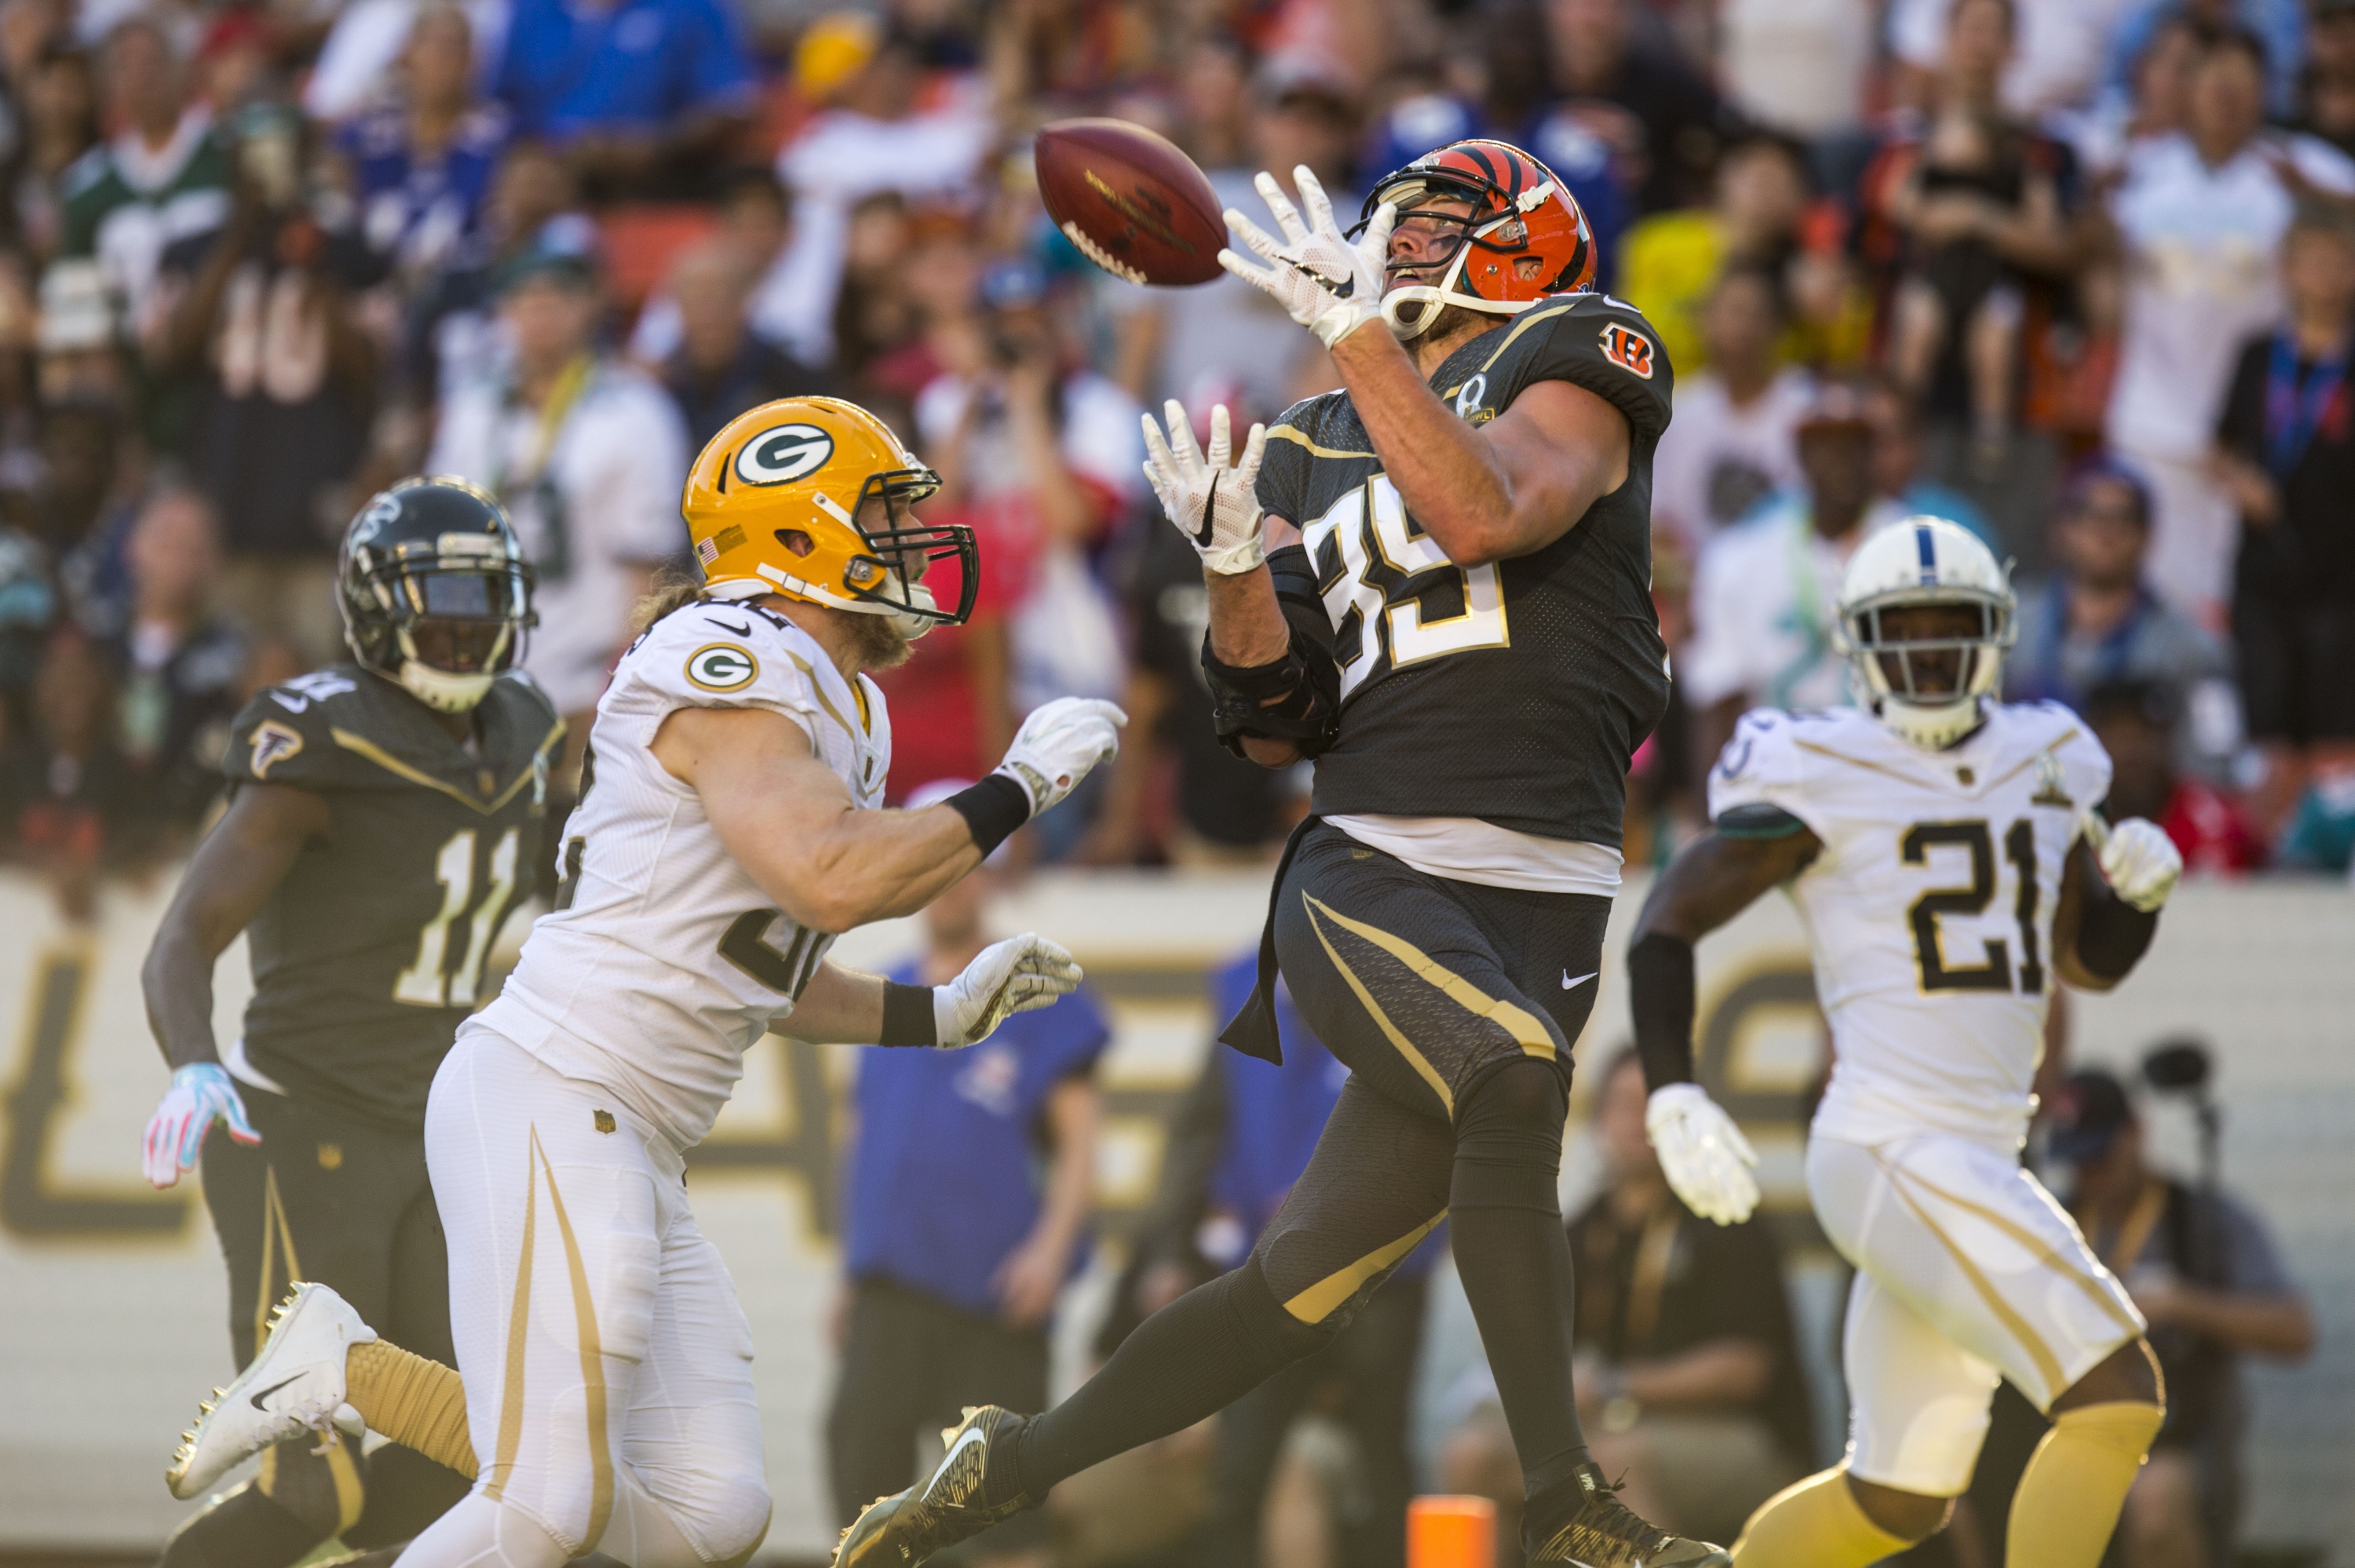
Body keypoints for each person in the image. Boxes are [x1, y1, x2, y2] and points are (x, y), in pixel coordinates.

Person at [842, 137, 1717, 1567]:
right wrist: (1235, 560)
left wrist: (1361, 336)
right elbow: (1269, 725)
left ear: (1525, 236)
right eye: (1399, 221)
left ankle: (1012, 1461)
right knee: (1510, 1075)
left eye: (1439, 218)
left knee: (1291, 1288)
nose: (1404, 240)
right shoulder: (1308, 435)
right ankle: (1567, 1505)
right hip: (1372, 864)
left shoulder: (1579, 344)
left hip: (1549, 893)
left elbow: (1490, 508)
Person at [159, 397, 1127, 1568]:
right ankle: (337, 1364)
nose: (908, 540)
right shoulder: (728, 654)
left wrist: (940, 1010)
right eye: (880, 514)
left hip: (631, 1132)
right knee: (545, 1499)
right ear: (800, 531)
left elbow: (754, 967)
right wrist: (1016, 785)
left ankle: (345, 1367)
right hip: (557, 1086)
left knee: (711, 1511)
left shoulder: (848, 703)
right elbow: (826, 877)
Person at [1624, 515, 2187, 1568]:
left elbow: (2087, 963)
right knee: (2117, 1398)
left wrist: (2138, 901)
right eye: (1904, 631)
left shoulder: (2049, 752)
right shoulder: (1817, 763)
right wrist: (1672, 1090)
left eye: (1950, 630)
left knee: (1893, 1500)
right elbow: (1668, 920)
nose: (1928, 654)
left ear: (1996, 635)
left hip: (1970, 1149)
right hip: (1896, 1142)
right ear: (1856, 643)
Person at [140, 479, 557, 1568]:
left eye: (485, 602)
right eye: (443, 605)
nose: (469, 629)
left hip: (434, 1127)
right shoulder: (319, 740)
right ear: (378, 614)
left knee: (459, 1450)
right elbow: (184, 934)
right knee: (310, 1478)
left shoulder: (524, 726)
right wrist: (192, 1060)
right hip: (302, 1124)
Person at [828, 781, 1108, 1566]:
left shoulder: (1033, 986)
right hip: (892, 1282)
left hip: (994, 1292)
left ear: (995, 876)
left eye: (970, 867)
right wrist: (849, 1274)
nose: (954, 885)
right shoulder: (875, 993)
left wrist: (1052, 1253)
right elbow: (863, 1140)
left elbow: (1083, 1142)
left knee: (1000, 1508)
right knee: (862, 1479)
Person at [1440, 1050, 1809, 1548]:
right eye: (1623, 1106)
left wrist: (1615, 1387)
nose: (1638, 1124)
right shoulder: (1584, 1227)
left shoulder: (1727, 1218)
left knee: (1611, 1465)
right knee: (1471, 1457)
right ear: (1598, 1120)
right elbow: (1533, 1349)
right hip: (1610, 1431)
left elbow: (1744, 1370)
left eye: (1653, 1109)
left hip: (1744, 1441)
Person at [2105, 27, 2355, 628]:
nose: (2225, 96)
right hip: (2153, 422)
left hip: (2260, 432)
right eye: (2213, 78)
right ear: (2187, 86)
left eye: (2243, 82)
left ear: (2265, 91)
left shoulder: (2302, 169)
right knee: (2157, 604)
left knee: (2248, 606)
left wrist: (2318, 199)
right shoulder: (2141, 169)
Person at [425, 233, 691, 757]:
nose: (539, 315)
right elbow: (446, 542)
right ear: (503, 312)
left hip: (586, 674)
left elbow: (651, 561)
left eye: (556, 300)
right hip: (489, 669)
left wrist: (625, 676)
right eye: (526, 300)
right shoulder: (473, 406)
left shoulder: (637, 409)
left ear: (589, 306)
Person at [2049, 1068, 2316, 1566]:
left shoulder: (2202, 1220)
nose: (2090, 1178)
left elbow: (2296, 1331)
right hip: (2075, 1431)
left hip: (2178, 1437)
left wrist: (2182, 1304)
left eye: (2101, 1159)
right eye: (2077, 1163)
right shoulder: (2055, 1224)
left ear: (2136, 1133)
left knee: (2155, 1497)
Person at [1678, 379, 1911, 762]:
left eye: (1856, 446)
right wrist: (1717, 813)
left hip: (1884, 768)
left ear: (1874, 454)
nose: (1842, 461)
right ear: (1801, 454)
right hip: (1776, 772)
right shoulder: (1740, 557)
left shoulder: (1913, 550)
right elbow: (1718, 699)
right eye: (1827, 446)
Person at [2212, 202, 2355, 826]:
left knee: (2333, 712)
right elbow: (2219, 442)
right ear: (2287, 271)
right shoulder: (2256, 353)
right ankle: (2264, 841)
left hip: (2342, 567)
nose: (2323, 276)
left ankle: (2328, 839)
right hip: (2265, 565)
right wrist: (2238, 478)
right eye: (2311, 262)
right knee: (2266, 710)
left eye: (2337, 263)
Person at [2006, 458, 2241, 786]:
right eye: (2089, 514)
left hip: (2137, 822)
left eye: (2124, 519)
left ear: (2149, 534)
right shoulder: (2009, 627)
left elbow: (2215, 762)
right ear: (2060, 529)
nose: (2106, 533)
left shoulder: (2192, 648)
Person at [491, 0, 757, 197]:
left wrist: (654, 147)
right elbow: (500, 108)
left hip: (656, 181)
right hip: (547, 178)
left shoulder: (694, 8)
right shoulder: (531, 10)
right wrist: (546, 155)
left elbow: (730, 107)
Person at [107, 484, 247, 838]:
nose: (182, 556)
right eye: (167, 539)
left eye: (198, 544)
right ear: (132, 546)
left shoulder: (239, 658)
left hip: (191, 848)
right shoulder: (89, 642)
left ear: (217, 560)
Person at [1648, 264, 1812, 545]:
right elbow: (1661, 520)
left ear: (1777, 325)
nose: (1742, 327)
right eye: (1733, 312)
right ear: (1705, 321)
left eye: (1755, 314)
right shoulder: (1679, 410)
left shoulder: (1806, 408)